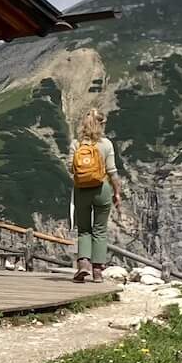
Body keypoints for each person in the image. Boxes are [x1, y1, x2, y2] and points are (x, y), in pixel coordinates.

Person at [69, 109, 123, 284]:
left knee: (84, 229)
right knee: (100, 230)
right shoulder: (106, 144)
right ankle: (98, 272)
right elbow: (112, 172)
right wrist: (117, 193)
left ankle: (83, 264)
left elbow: (71, 168)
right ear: (101, 124)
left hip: (81, 190)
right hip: (102, 189)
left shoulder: (76, 144)